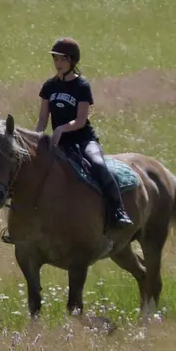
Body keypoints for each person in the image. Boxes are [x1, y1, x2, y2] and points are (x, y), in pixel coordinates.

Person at [37, 38, 133, 229]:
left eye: (62, 60)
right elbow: (42, 120)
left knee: (98, 165)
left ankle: (118, 211)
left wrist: (61, 128)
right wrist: (35, 140)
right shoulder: (49, 86)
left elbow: (81, 120)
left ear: (73, 61)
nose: (58, 64)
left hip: (83, 140)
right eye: (56, 59)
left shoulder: (81, 86)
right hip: (60, 144)